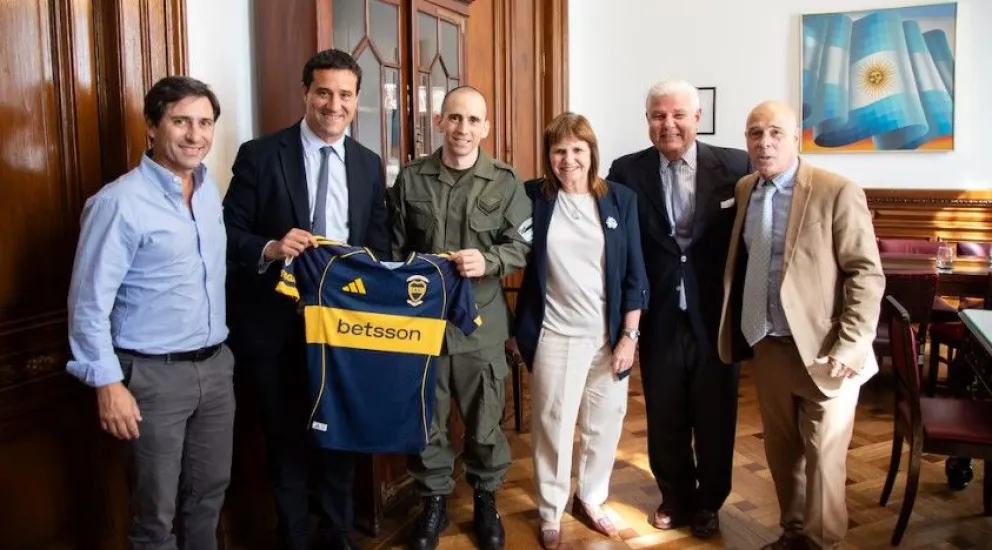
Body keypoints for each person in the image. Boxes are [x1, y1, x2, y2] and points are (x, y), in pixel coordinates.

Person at [223, 48, 389, 550]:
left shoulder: (367, 164)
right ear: (305, 93)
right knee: (285, 442)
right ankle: (296, 537)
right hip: (274, 329)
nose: (333, 104)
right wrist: (270, 248)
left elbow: (378, 245)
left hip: (341, 329)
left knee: (338, 439)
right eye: (323, 92)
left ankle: (337, 534)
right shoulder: (260, 154)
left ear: (357, 100)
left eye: (344, 94)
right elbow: (225, 232)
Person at [67, 76, 232, 550]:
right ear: (152, 128)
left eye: (204, 123)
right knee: (155, 517)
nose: (194, 134)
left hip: (216, 369)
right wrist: (107, 384)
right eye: (181, 121)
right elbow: (88, 304)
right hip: (152, 379)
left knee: (208, 499)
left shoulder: (206, 190)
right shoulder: (118, 203)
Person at [717, 100, 884, 550]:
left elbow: (866, 274)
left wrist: (850, 346)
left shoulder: (836, 190)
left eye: (775, 132)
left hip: (826, 350)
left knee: (824, 457)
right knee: (781, 449)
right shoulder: (746, 188)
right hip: (768, 342)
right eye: (754, 133)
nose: (763, 142)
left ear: (796, 138)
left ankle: (822, 541)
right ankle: (792, 533)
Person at [605, 80, 751, 538]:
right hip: (658, 311)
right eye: (657, 115)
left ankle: (710, 502)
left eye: (677, 115)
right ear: (647, 120)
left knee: (716, 413)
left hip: (716, 315)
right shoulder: (625, 172)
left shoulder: (737, 167)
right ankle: (675, 496)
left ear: (697, 118)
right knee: (664, 412)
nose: (668, 124)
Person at [388, 85, 532, 550]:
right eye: (454, 118)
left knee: (486, 420)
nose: (462, 129)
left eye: (473, 120)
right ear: (439, 122)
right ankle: (433, 502)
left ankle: (486, 498)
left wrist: (488, 261)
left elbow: (523, 242)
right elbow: (392, 249)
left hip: (481, 326)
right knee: (426, 420)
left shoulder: (506, 181)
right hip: (425, 325)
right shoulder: (410, 179)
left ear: (485, 127)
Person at [514, 112, 649, 549]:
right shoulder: (532, 197)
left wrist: (630, 336)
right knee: (553, 428)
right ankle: (551, 509)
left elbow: (635, 275)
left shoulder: (620, 200)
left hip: (609, 337)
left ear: (591, 152)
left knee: (605, 424)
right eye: (558, 151)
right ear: (548, 156)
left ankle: (590, 499)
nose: (568, 159)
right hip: (555, 334)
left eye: (577, 149)